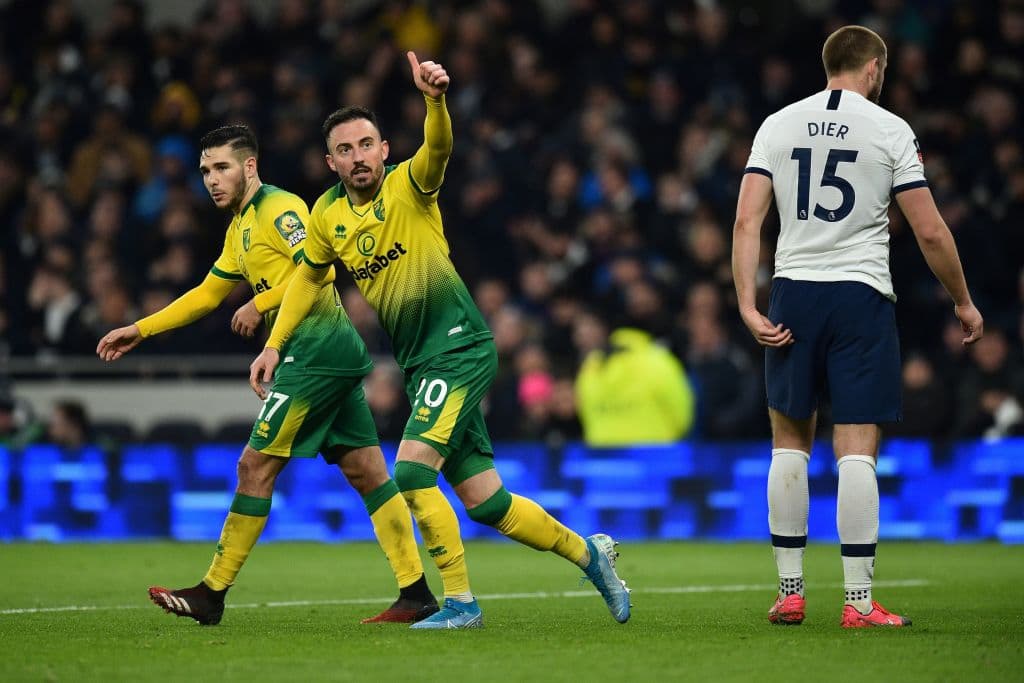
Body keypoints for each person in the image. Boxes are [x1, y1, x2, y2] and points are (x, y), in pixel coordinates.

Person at [250, 52, 631, 629]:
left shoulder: (410, 185)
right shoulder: (327, 216)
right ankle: (589, 554)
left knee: (409, 472)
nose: (359, 157)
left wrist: (435, 102)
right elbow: (307, 277)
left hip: (459, 346)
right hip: (421, 362)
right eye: (346, 149)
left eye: (367, 144)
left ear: (383, 149)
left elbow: (440, 149)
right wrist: (275, 344)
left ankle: (460, 603)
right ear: (331, 162)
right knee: (488, 504)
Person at [97, 124, 438, 626]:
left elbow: (319, 267)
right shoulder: (240, 228)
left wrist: (260, 304)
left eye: (222, 168)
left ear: (250, 166)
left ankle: (211, 593)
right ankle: (417, 593)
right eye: (206, 171)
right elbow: (209, 294)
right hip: (329, 353)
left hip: (315, 350)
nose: (212, 180)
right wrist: (141, 330)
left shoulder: (280, 209)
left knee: (254, 466)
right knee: (368, 473)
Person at [732, 25, 984, 629]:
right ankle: (858, 603)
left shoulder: (778, 123)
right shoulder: (891, 129)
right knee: (857, 447)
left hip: (793, 291)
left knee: (788, 440)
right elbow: (929, 230)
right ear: (873, 69)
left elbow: (747, 221)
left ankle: (790, 591)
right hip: (860, 295)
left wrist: (747, 303)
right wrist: (964, 302)